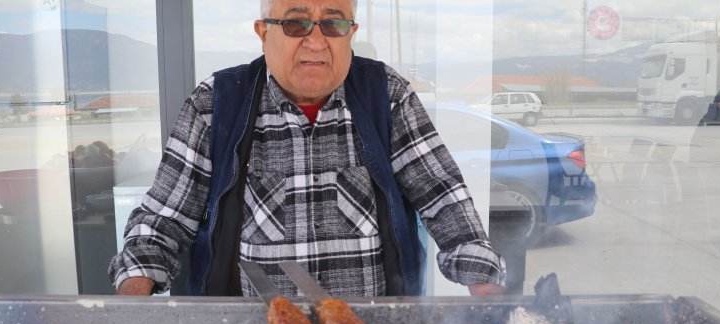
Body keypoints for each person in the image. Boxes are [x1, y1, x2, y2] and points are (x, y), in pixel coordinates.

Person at [108, 0, 506, 297]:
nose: (316, 41)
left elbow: (443, 197)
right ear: (264, 33)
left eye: (332, 23)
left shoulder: (387, 95)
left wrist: (484, 286)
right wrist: (133, 300)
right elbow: (163, 218)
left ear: (350, 32)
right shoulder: (215, 103)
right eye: (296, 23)